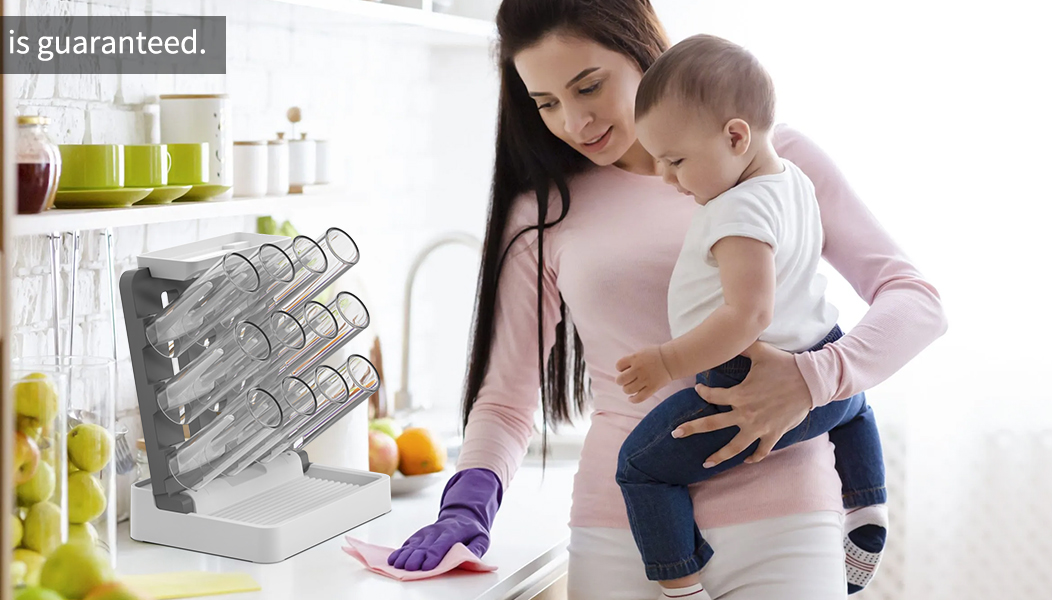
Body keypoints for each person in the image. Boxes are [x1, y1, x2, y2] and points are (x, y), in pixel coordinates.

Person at [386, 1, 947, 599]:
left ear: (638, 49)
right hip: (622, 529)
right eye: (547, 103)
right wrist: (467, 507)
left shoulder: (768, 160)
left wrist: (814, 377)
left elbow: (915, 301)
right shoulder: (544, 212)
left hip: (784, 520)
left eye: (589, 86)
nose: (575, 122)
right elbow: (505, 399)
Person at [612, 35, 885, 600]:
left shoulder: (737, 209)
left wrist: (667, 361)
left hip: (745, 384)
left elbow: (748, 314)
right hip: (822, 360)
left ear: (736, 136)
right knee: (853, 406)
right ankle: (868, 506)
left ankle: (681, 585)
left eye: (676, 160)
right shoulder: (794, 182)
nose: (665, 176)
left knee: (640, 467)